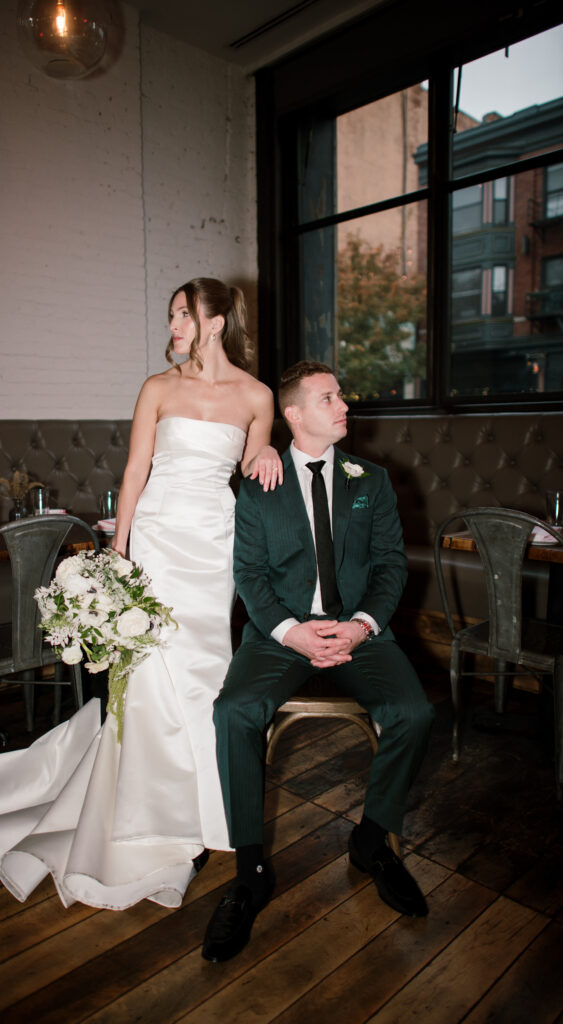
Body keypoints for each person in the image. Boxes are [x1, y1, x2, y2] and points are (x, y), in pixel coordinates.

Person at [0, 277, 283, 911]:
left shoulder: (258, 394)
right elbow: (135, 470)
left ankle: (213, 811)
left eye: (182, 316)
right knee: (155, 671)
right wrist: (120, 551)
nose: (173, 328)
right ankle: (153, 810)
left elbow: (253, 459)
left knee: (208, 669)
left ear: (215, 322)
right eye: (171, 318)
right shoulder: (157, 388)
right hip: (158, 537)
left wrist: (267, 451)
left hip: (215, 542)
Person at [202, 360, 435, 963]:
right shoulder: (257, 484)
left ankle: (371, 840)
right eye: (328, 398)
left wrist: (360, 627)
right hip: (279, 635)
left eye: (341, 397)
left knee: (413, 711)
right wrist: (291, 633)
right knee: (234, 711)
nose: (343, 407)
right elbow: (249, 576)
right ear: (294, 414)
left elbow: (390, 565)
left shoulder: (371, 480)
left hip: (362, 634)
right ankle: (250, 870)